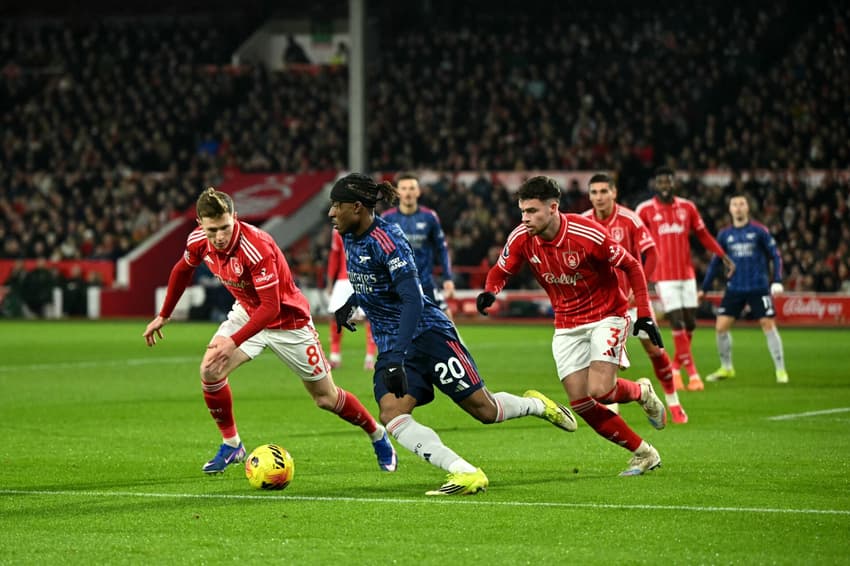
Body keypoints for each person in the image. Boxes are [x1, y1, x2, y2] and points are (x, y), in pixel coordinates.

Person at [329, 173, 577, 496]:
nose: (332, 213)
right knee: (391, 414)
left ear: (358, 208)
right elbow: (374, 282)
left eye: (337, 206)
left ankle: (537, 405)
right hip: (394, 344)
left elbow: (413, 300)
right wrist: (352, 302)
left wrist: (394, 357)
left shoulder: (388, 240)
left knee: (486, 411)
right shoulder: (349, 235)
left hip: (429, 335)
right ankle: (464, 472)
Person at [143, 187, 396, 475]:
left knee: (325, 397)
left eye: (225, 227)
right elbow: (182, 270)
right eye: (212, 230)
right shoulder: (199, 240)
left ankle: (376, 433)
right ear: (200, 224)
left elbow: (271, 308)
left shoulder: (256, 246)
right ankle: (232, 445)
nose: (220, 236)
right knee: (210, 371)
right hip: (247, 312)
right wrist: (164, 315)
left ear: (235, 218)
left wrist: (233, 342)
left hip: (288, 322)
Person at [477, 175, 668, 477]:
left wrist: (644, 313)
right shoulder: (521, 237)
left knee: (601, 390)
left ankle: (641, 392)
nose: (525, 218)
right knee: (581, 402)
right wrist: (490, 291)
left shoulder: (587, 233)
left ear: (553, 208)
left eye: (532, 211)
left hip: (607, 315)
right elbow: (501, 270)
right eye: (522, 211)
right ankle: (644, 453)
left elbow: (631, 264)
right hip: (566, 323)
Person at [582, 174, 688, 424]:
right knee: (605, 357)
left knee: (656, 351)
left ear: (614, 193)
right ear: (589, 196)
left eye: (603, 192)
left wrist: (640, 288)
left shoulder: (629, 219)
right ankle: (613, 410)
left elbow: (651, 253)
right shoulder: (584, 222)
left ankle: (674, 402)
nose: (599, 197)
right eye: (594, 192)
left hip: (632, 302)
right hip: (602, 306)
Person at [636, 167, 735, 392]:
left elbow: (703, 234)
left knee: (690, 323)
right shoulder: (645, 210)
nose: (664, 185)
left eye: (668, 181)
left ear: (673, 183)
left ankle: (675, 368)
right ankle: (693, 374)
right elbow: (635, 239)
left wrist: (722, 255)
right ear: (655, 184)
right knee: (677, 322)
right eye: (660, 181)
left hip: (687, 275)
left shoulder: (687, 207)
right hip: (663, 276)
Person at [699, 194, 788, 384]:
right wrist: (704, 289)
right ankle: (727, 368)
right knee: (721, 327)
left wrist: (777, 279)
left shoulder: (759, 231)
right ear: (730, 209)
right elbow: (716, 262)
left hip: (758, 287)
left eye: (742, 204)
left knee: (768, 325)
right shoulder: (724, 235)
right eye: (734, 204)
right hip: (735, 288)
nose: (738, 207)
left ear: (748, 208)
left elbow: (776, 255)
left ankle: (781, 370)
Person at [381, 173, 458, 324]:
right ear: (397, 192)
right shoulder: (387, 219)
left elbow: (442, 249)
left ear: (418, 192)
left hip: (425, 281)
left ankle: (453, 347)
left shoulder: (429, 217)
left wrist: (448, 278)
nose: (408, 192)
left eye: (411, 188)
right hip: (397, 283)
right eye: (404, 188)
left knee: (446, 317)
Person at [326, 227, 378, 369]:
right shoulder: (337, 229)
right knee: (335, 315)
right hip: (344, 278)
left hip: (365, 277)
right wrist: (330, 282)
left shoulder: (369, 224)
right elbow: (334, 256)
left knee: (369, 316)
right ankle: (335, 357)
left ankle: (370, 358)